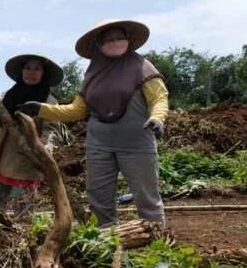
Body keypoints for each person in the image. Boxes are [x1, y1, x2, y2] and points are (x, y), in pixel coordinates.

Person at [21, 20, 169, 227]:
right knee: (99, 198)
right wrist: (42, 108)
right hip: (99, 144)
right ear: (99, 44)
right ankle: (108, 243)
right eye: (109, 39)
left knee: (146, 198)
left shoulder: (142, 66)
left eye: (119, 37)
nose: (115, 42)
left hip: (136, 143)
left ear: (128, 40)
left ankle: (158, 246)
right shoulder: (93, 73)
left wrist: (157, 118)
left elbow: (159, 98)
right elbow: (77, 110)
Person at [0, 55, 62, 215]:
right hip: (3, 158)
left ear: (43, 74)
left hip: (28, 163)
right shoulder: (9, 96)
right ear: (21, 71)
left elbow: (52, 130)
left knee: (20, 216)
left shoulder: (49, 102)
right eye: (28, 68)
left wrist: (43, 150)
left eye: (37, 69)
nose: (31, 72)